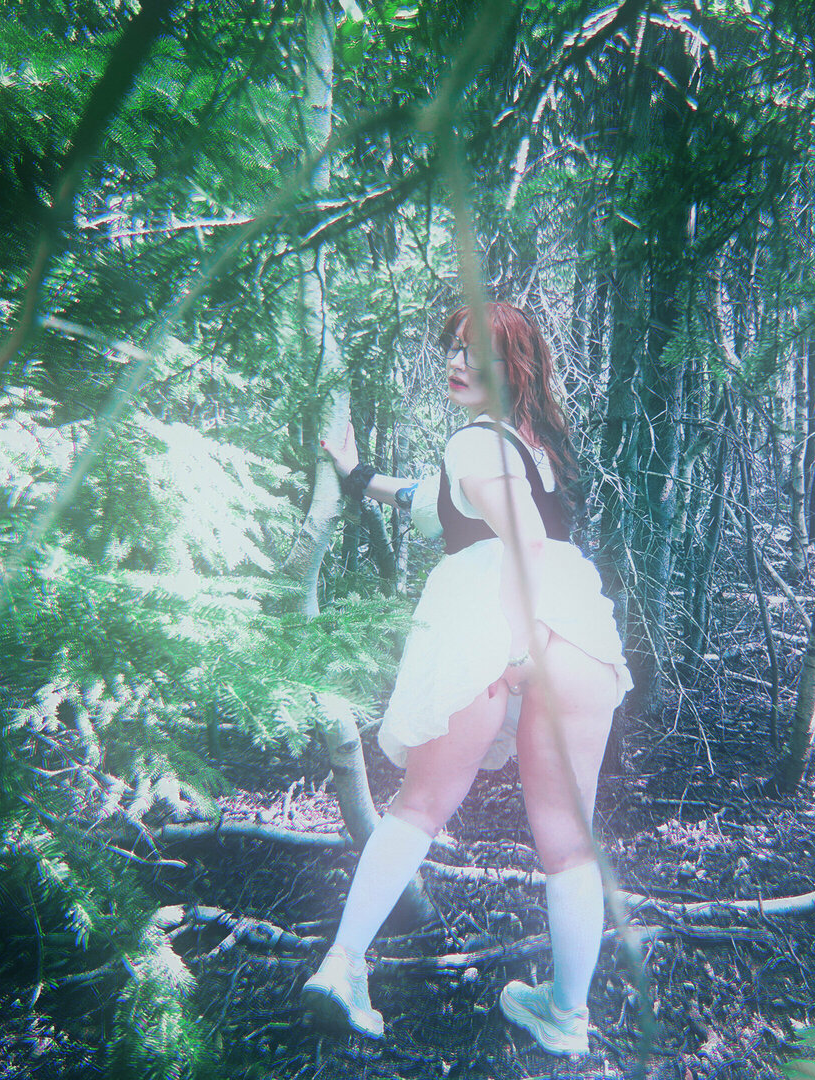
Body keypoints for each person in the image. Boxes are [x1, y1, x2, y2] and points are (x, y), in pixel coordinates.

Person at [301, 302, 631, 1057]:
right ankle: (566, 1016)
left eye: (477, 351)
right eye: (454, 347)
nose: (457, 361)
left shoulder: (474, 444)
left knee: (417, 808)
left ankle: (343, 964)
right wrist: (357, 475)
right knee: (570, 845)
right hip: (579, 635)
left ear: (514, 369)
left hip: (500, 625)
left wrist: (520, 644)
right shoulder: (529, 451)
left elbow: (523, 541)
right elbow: (429, 499)